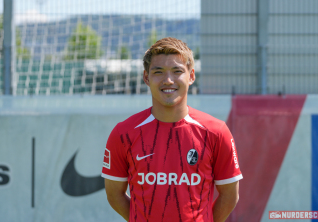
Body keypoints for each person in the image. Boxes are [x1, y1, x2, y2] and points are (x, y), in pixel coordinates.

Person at [101, 37, 242, 222]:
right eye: (158, 72)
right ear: (146, 77)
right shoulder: (123, 134)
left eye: (177, 71)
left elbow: (230, 196)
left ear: (191, 76)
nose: (168, 80)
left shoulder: (217, 132)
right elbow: (114, 195)